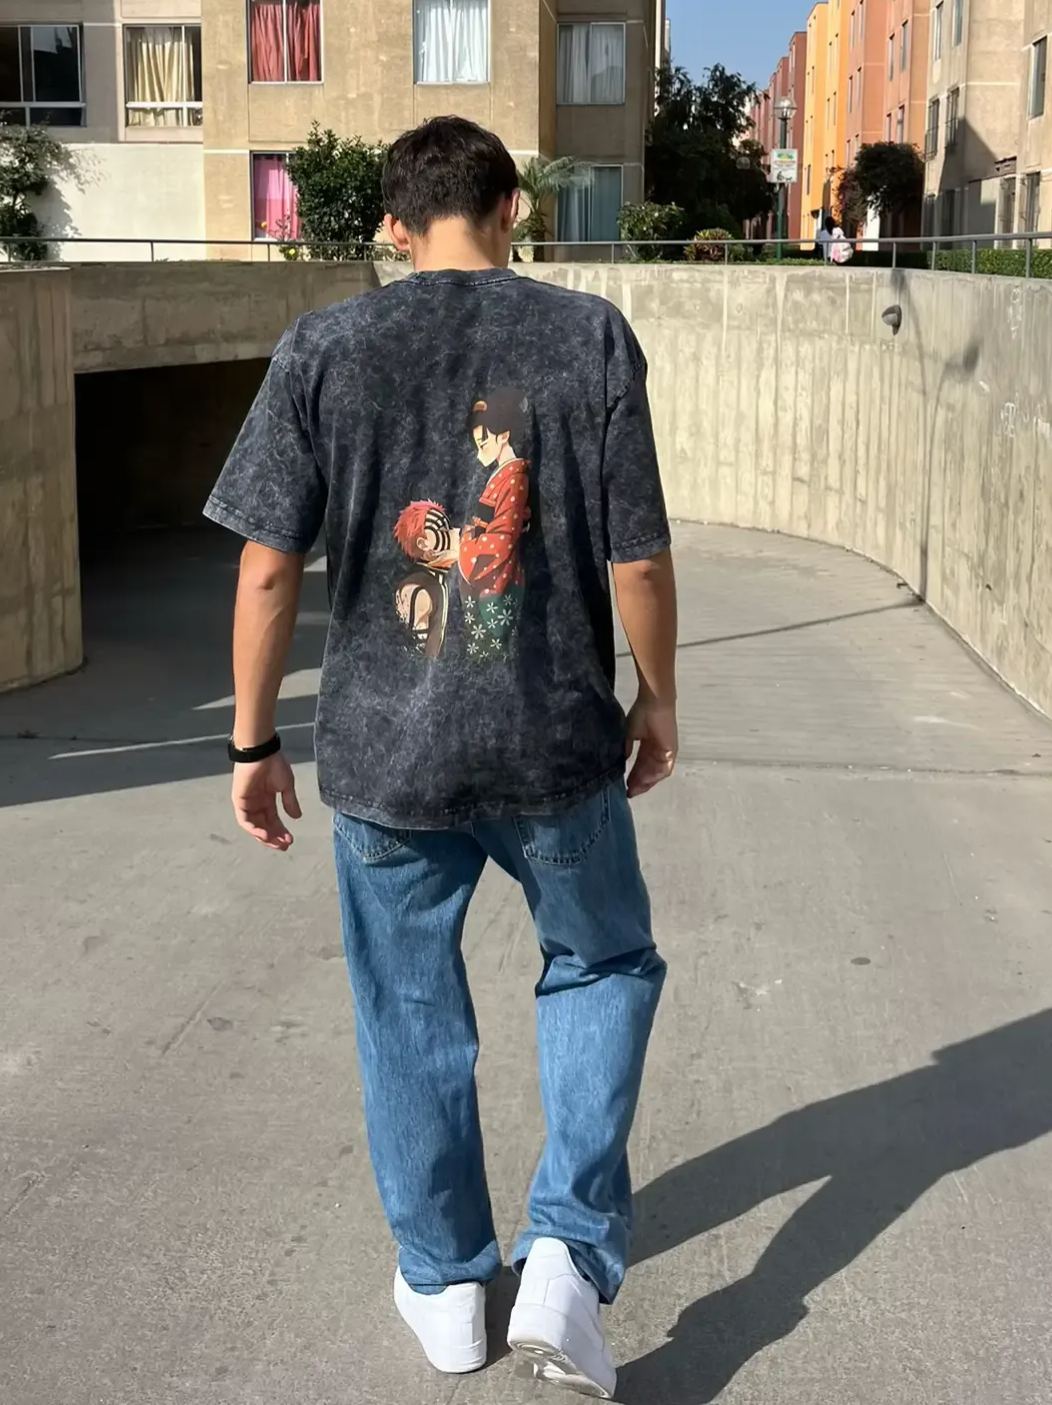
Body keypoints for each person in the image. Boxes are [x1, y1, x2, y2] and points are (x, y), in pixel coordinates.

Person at [203, 115, 678, 1400]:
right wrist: (656, 699)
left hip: (384, 760)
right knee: (601, 960)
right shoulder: (587, 337)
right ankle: (565, 1257)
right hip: (554, 744)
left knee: (406, 1007)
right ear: (512, 206)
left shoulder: (323, 347)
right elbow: (636, 559)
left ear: (393, 224)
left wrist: (252, 739)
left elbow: (265, 566)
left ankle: (449, 1284)